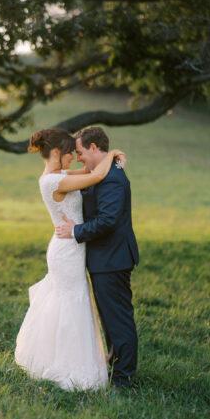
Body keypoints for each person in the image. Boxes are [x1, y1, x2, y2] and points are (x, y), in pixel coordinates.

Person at [14, 127, 126, 391]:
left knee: (73, 300)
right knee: (70, 303)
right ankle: (68, 365)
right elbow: (97, 175)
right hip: (67, 250)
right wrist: (112, 154)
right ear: (55, 153)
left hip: (70, 246)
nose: (73, 159)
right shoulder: (53, 181)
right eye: (68, 154)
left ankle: (71, 357)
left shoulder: (58, 174)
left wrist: (103, 159)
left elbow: (88, 172)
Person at [55, 126, 139, 390]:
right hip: (103, 258)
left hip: (113, 259)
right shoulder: (98, 172)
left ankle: (123, 379)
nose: (79, 157)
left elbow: (108, 220)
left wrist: (75, 231)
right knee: (108, 317)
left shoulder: (112, 178)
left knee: (118, 318)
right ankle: (115, 364)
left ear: (93, 148)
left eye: (80, 152)